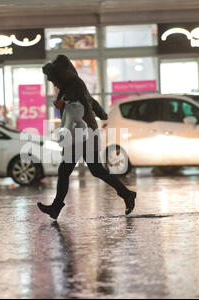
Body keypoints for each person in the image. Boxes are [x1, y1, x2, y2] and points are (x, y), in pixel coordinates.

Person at [37, 55, 136, 220]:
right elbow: (90, 101)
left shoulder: (72, 86)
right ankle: (126, 194)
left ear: (60, 76)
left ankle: (127, 194)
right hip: (83, 132)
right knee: (88, 170)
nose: (53, 84)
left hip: (83, 133)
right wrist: (101, 113)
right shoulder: (73, 84)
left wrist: (63, 106)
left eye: (54, 81)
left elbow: (77, 108)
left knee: (77, 170)